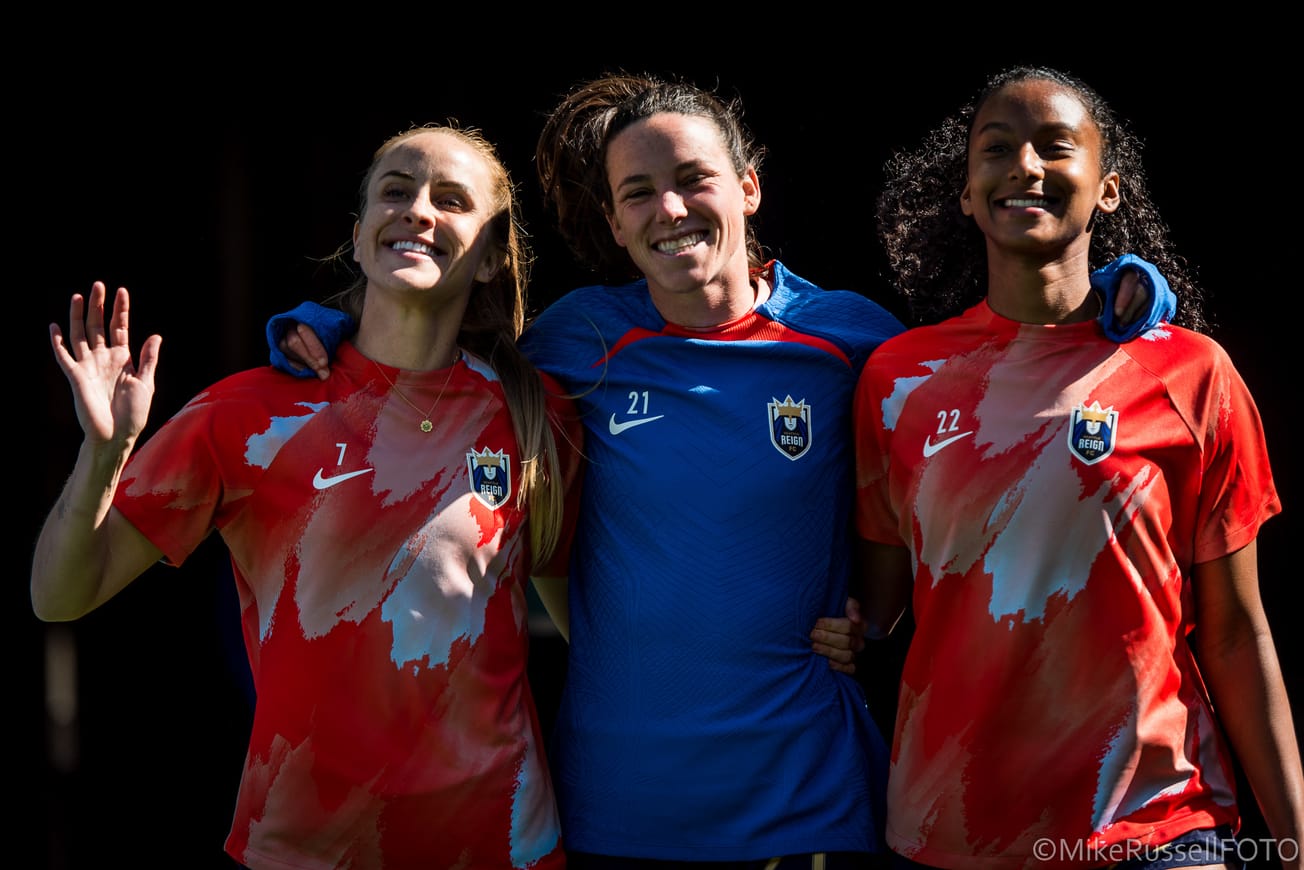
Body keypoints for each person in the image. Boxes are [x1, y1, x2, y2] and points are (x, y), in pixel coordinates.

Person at [266, 73, 1173, 867]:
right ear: (616, 224)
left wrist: (1114, 295)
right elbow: (433, 354)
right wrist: (333, 327)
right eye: (639, 193)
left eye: (693, 179)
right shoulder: (576, 340)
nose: (670, 209)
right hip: (614, 808)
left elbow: (991, 375)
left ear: (748, 187)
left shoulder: (853, 340)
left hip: (806, 804)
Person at [32, 123, 580, 869]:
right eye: (396, 192)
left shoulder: (538, 416)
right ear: (358, 237)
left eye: (452, 200)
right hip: (305, 851)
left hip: (506, 848)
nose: (418, 211)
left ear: (490, 258)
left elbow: (590, 628)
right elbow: (60, 596)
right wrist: (103, 455)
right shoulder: (246, 413)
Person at [849, 65, 1304, 869]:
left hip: (1159, 824)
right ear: (965, 193)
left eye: (1056, 146)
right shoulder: (898, 381)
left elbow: (1236, 633)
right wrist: (846, 626)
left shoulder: (1193, 373)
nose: (1025, 166)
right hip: (951, 833)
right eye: (997, 149)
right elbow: (880, 608)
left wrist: (1293, 842)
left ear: (1108, 189)